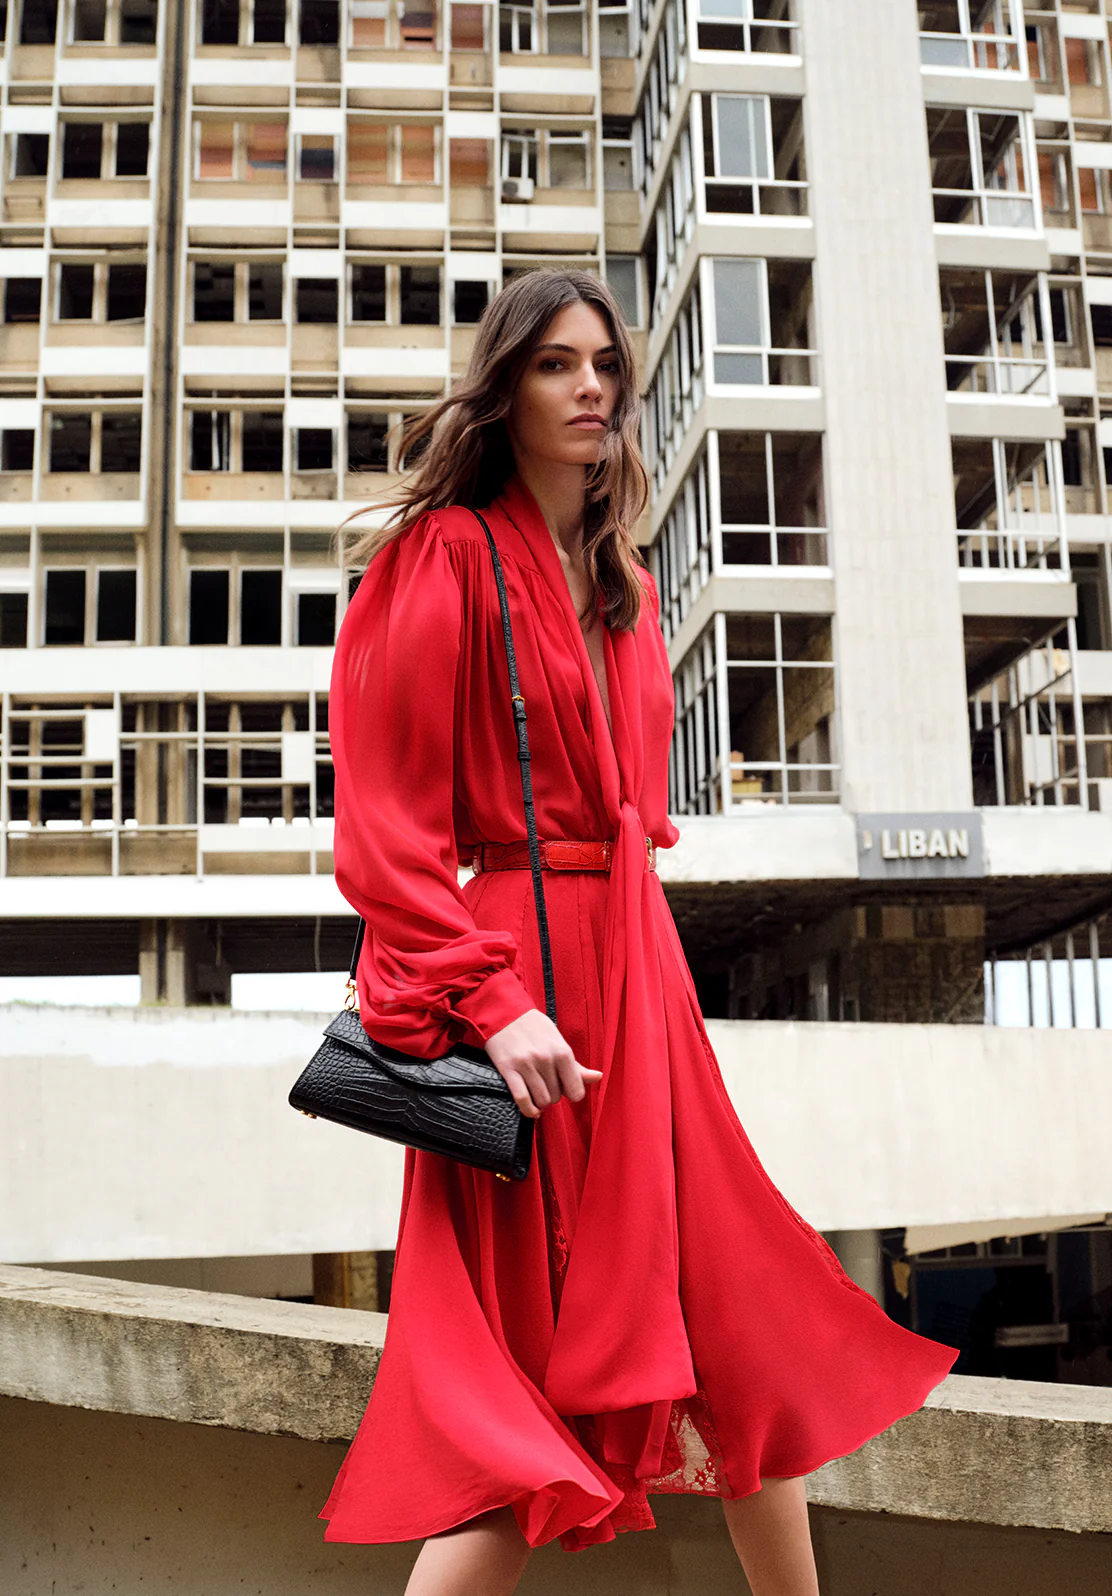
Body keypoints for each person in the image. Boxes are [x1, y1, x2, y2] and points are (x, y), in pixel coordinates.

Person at [317, 269, 959, 1596]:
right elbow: (385, 830)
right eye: (556, 364)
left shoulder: (622, 586)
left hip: (637, 977)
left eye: (606, 364)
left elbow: (632, 813)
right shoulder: (442, 559)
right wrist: (493, 1003)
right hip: (522, 985)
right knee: (528, 1401)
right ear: (505, 388)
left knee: (732, 1333)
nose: (591, 388)